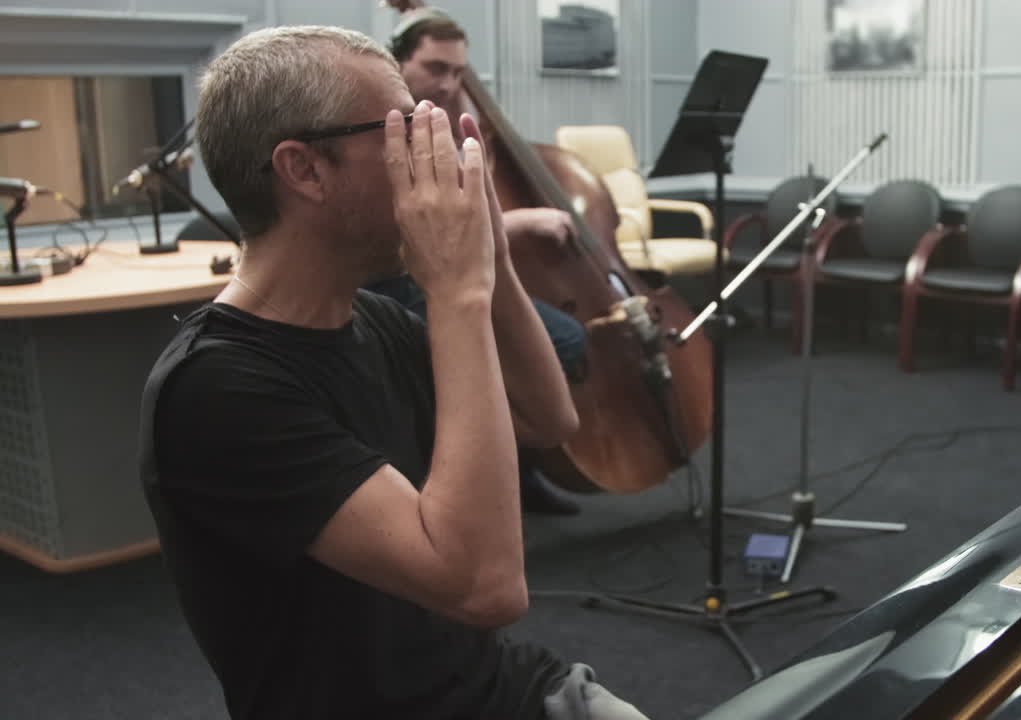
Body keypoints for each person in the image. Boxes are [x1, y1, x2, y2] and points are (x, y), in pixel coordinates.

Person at [138, 25, 648, 720]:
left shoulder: (369, 321)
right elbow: (488, 586)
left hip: (503, 689)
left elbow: (547, 418)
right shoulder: (216, 389)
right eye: (407, 131)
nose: (434, 158)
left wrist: (488, 250)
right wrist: (455, 289)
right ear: (305, 170)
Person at [371, 4, 586, 516]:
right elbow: (419, 235)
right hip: (395, 283)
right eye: (436, 69)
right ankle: (476, 474)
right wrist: (525, 222)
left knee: (565, 342)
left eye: (459, 72)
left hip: (452, 273)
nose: (449, 83)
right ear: (399, 63)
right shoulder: (381, 134)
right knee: (551, 344)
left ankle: (515, 468)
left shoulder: (451, 128)